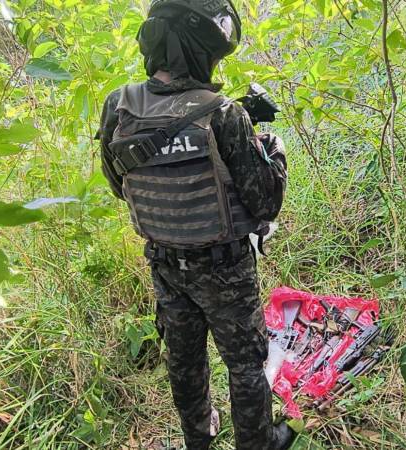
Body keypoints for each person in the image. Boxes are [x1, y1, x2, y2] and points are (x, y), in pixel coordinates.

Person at [97, 1, 293, 449]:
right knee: (245, 363)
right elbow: (265, 203)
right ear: (204, 50)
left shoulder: (119, 107)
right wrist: (273, 151)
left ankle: (198, 436)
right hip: (225, 267)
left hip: (165, 263)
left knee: (184, 359)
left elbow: (117, 184)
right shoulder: (223, 113)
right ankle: (257, 443)